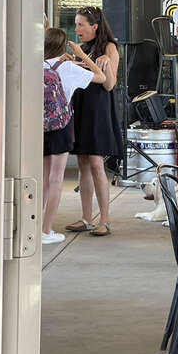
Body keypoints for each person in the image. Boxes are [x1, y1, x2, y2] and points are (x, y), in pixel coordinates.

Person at [42, 28, 105, 245]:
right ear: (62, 47)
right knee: (56, 179)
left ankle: (32, 228)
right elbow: (102, 77)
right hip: (61, 127)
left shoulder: (37, 65)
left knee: (42, 180)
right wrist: (81, 54)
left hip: (39, 127)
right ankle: (46, 230)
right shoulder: (68, 67)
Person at [65, 7, 123, 238]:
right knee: (82, 161)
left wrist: (85, 57)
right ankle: (87, 217)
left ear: (94, 26)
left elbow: (109, 84)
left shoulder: (109, 47)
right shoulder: (83, 49)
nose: (77, 29)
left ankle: (105, 219)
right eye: (77, 25)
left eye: (81, 25)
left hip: (98, 108)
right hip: (80, 105)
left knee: (96, 162)